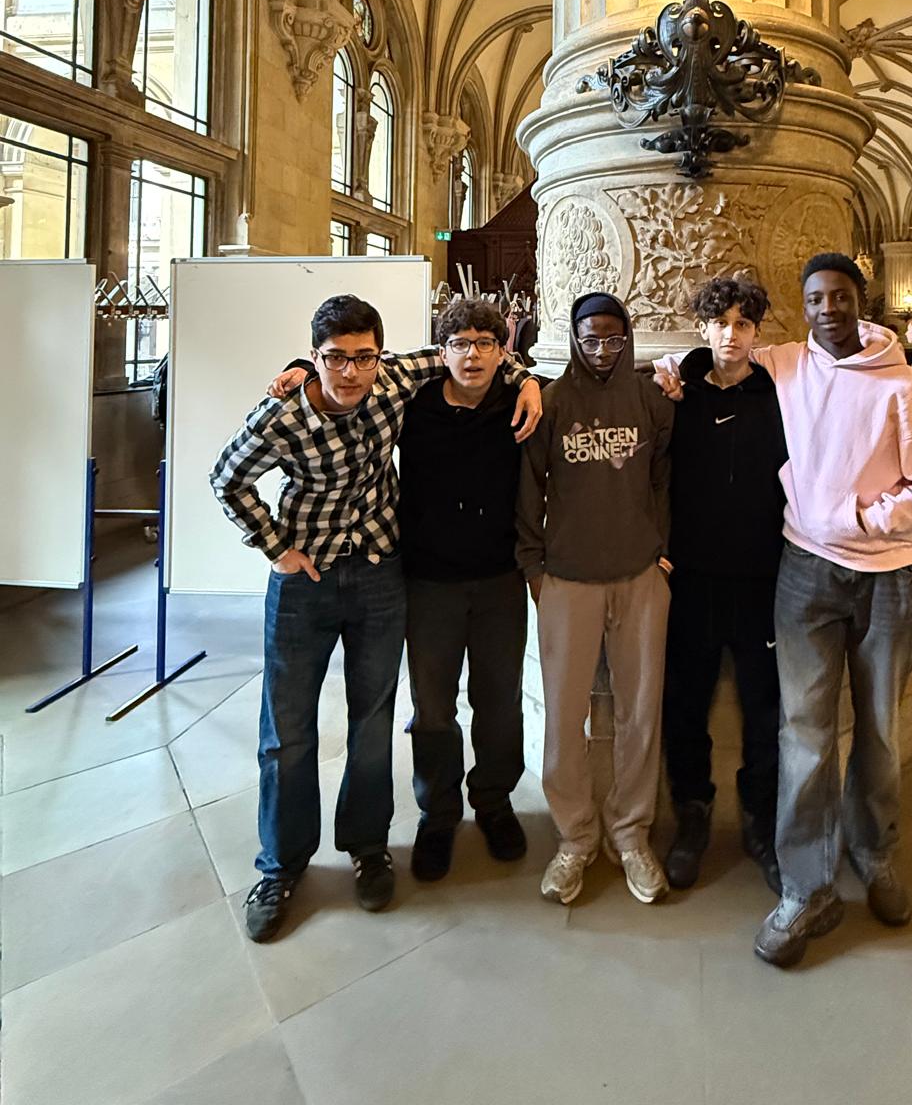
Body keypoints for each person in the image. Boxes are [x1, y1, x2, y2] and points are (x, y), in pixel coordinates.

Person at [660, 255, 912, 968]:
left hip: (887, 577)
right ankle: (805, 884)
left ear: (860, 302)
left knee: (880, 728)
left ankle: (876, 852)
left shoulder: (901, 383)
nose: (829, 308)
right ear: (803, 309)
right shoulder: (788, 364)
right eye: (817, 298)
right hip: (803, 572)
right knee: (803, 730)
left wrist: (864, 518)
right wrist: (671, 365)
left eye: (841, 296)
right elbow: (712, 354)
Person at [211, 294, 541, 944]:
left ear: (379, 357)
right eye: (335, 358)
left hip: (380, 576)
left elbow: (471, 352)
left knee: (372, 723)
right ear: (314, 357)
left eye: (364, 357)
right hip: (304, 585)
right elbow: (229, 479)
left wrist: (528, 377)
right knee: (287, 731)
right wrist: (276, 548)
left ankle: (367, 847)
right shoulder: (284, 414)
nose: (351, 372)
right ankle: (281, 864)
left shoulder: (392, 381)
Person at [517, 292, 674, 907]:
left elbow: (665, 479)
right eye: (590, 339)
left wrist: (664, 551)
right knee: (564, 715)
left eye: (613, 338)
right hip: (567, 579)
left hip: (639, 576)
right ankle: (575, 836)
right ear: (574, 340)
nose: (602, 350)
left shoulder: (651, 399)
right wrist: (535, 569)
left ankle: (631, 833)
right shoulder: (551, 402)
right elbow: (528, 489)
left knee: (641, 711)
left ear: (627, 337)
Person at [659, 276, 789, 894]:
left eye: (743, 324)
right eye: (720, 323)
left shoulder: (778, 393)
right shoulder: (677, 392)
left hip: (762, 576)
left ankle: (761, 821)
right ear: (703, 328)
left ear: (757, 331)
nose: (731, 335)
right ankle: (692, 814)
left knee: (765, 708)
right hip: (692, 577)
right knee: (686, 704)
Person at [398, 299, 531, 882]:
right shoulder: (415, 403)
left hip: (500, 578)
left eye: (484, 343)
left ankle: (494, 801)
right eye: (459, 344)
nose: (471, 355)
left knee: (499, 701)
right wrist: (302, 367)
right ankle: (438, 812)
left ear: (501, 351)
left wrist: (528, 380)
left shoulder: (518, 403)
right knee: (432, 707)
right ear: (442, 351)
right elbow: (359, 366)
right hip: (429, 580)